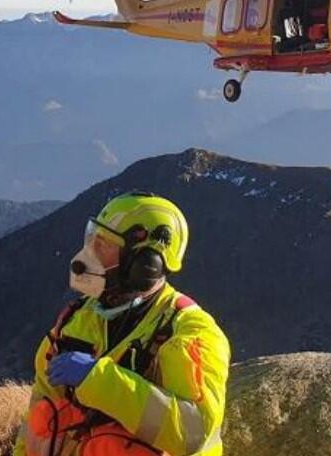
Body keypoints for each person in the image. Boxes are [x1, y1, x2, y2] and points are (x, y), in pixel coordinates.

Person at [14, 192, 230, 456]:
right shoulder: (77, 319)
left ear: (145, 263)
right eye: (92, 239)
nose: (89, 253)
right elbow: (38, 418)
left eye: (103, 245)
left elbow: (193, 434)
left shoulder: (190, 332)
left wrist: (99, 380)